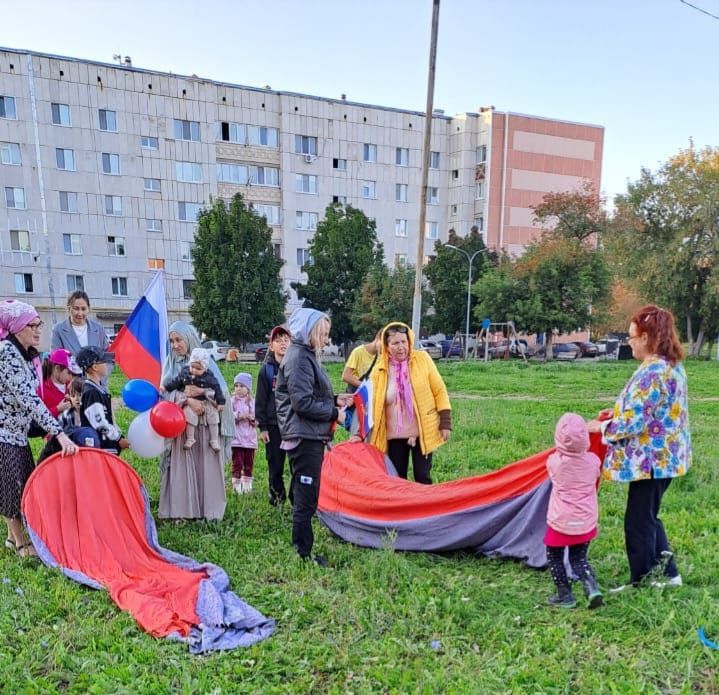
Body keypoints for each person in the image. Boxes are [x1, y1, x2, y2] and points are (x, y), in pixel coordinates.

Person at [587, 305, 691, 590]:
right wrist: (618, 411)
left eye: (631, 337)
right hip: (665, 458)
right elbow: (650, 408)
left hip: (653, 460)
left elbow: (635, 422)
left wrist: (601, 428)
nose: (629, 343)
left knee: (638, 521)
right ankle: (669, 575)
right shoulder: (668, 365)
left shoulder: (653, 372)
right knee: (648, 515)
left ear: (646, 337)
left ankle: (642, 580)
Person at [0, 299, 76, 558]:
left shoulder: (28, 355)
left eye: (38, 324)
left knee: (24, 482)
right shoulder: (6, 354)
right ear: (17, 327)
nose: (37, 329)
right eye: (31, 325)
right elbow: (29, 399)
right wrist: (59, 433)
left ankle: (12, 539)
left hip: (18, 433)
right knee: (11, 486)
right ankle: (21, 543)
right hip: (3, 433)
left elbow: (35, 397)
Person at [275, 308, 352, 565]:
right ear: (311, 331)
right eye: (323, 334)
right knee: (306, 495)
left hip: (308, 434)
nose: (326, 340)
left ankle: (302, 548)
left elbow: (309, 393)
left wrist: (334, 398)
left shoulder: (304, 355)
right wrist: (334, 413)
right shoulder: (299, 358)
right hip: (304, 436)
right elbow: (303, 403)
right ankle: (302, 553)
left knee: (305, 492)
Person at [158, 321, 233, 521]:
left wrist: (202, 393)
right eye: (171, 341)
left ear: (189, 340)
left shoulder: (206, 362)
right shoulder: (171, 364)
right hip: (181, 427)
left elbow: (222, 392)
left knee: (206, 466)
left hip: (206, 428)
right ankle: (181, 510)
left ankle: (209, 511)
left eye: (178, 340)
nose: (174, 345)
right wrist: (187, 400)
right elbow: (164, 396)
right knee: (181, 468)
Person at [368, 322, 452, 484]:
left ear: (409, 342)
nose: (401, 347)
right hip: (394, 436)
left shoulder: (422, 359)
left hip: (422, 432)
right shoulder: (379, 370)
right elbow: (371, 403)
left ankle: (426, 508)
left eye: (403, 342)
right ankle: (402, 509)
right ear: (386, 346)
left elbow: (439, 390)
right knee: (398, 479)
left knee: (422, 476)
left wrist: (445, 422)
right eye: (395, 343)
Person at [544, 413, 603, 609]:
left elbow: (551, 471)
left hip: (560, 521)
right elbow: (595, 473)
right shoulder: (594, 461)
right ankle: (591, 586)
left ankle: (564, 595)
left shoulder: (555, 462)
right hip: (585, 521)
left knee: (555, 557)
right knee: (578, 559)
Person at [161, 347, 225, 452]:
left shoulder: (209, 377)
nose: (194, 370)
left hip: (205, 402)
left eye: (198, 369)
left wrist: (221, 402)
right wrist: (166, 387)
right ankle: (190, 438)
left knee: (213, 416)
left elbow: (217, 388)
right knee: (189, 416)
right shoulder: (185, 372)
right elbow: (176, 382)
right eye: (192, 367)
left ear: (205, 368)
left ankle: (214, 439)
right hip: (189, 401)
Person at [255, 325, 291, 506]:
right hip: (274, 425)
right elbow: (260, 400)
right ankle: (277, 497)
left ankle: (296, 498)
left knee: (295, 465)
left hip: (293, 425)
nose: (283, 344)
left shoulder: (296, 368)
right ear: (271, 346)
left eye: (286, 340)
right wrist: (262, 427)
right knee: (275, 464)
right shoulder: (266, 370)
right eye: (278, 341)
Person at [76, 346, 129, 456]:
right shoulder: (92, 393)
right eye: (104, 361)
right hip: (100, 450)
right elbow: (99, 423)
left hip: (105, 448)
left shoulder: (97, 390)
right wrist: (118, 438)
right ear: (95, 367)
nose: (107, 364)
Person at [230, 372, 257, 494]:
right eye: (236, 386)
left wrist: (253, 419)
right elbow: (228, 417)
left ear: (248, 388)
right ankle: (236, 487)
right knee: (237, 463)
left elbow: (258, 418)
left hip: (250, 440)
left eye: (242, 386)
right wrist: (239, 415)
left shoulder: (252, 402)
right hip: (237, 440)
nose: (238, 389)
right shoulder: (233, 401)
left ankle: (247, 486)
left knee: (249, 463)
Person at [40, 348, 83, 419]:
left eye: (73, 374)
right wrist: (58, 409)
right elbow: (38, 417)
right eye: (68, 373)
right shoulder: (42, 390)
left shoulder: (71, 386)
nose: (70, 377)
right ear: (57, 368)